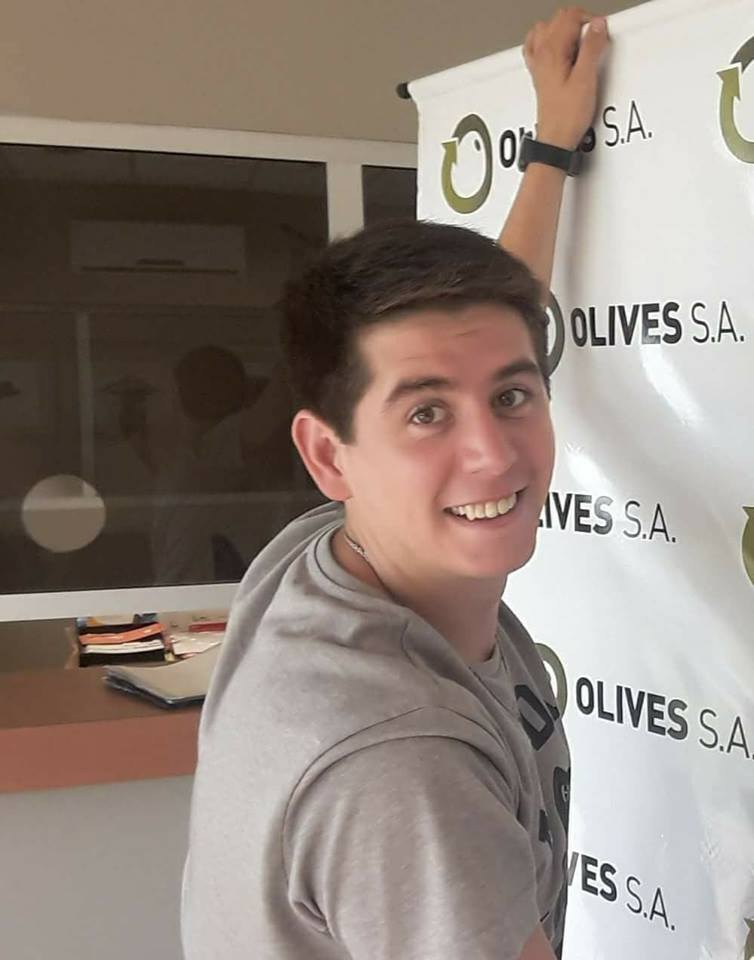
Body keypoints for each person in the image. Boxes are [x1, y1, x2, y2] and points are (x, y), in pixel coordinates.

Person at [182, 8, 609, 960]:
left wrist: (550, 146)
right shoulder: (402, 764)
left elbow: (493, 319)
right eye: (426, 415)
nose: (492, 454)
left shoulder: (319, 561)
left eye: (512, 396)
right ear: (330, 457)